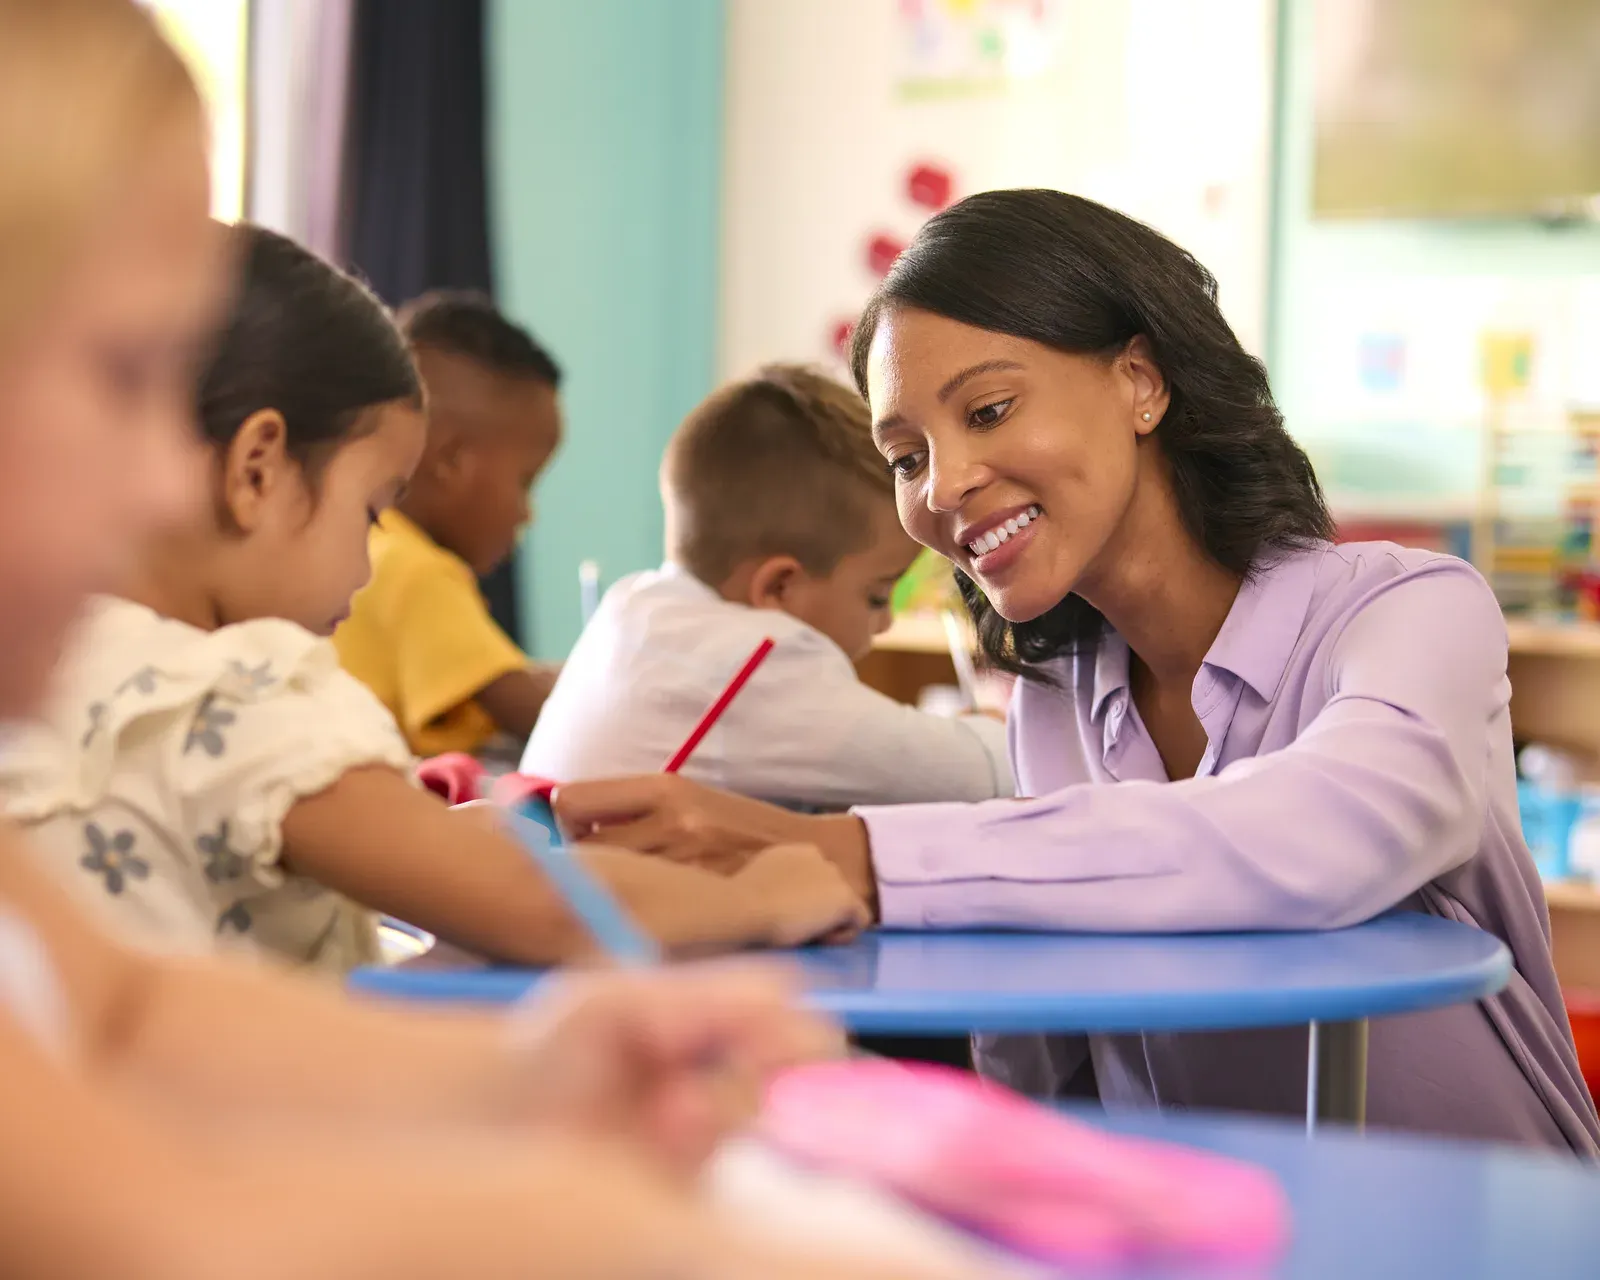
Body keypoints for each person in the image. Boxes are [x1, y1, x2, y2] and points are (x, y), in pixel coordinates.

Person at [0, 5, 965, 1278]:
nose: (162, 491)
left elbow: (111, 1012)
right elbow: (161, 1221)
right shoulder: (236, 673)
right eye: (121, 371)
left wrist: (521, 1071)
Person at [548, 189, 1600, 1155]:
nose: (945, 485)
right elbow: (1044, 1067)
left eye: (989, 411)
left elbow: (1324, 833)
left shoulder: (1409, 609)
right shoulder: (1050, 703)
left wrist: (855, 853)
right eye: (907, 455)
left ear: (1140, 383)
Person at [0, 222, 866, 971]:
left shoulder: (44, 665)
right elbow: (534, 908)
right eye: (372, 512)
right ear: (257, 468)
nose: (369, 567)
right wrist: (760, 896)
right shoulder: (237, 689)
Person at [523, 364, 1013, 808]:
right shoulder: (753, 664)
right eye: (877, 595)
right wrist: (997, 723)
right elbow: (985, 773)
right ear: (780, 587)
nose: (884, 623)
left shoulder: (635, 605)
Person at [334, 291, 562, 757]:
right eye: (525, 482)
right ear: (453, 460)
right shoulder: (416, 572)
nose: (527, 513)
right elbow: (538, 713)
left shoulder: (367, 546)